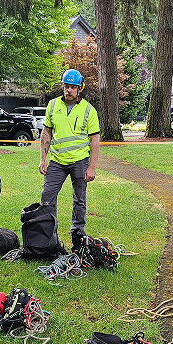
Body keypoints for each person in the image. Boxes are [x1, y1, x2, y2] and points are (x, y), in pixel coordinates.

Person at [39, 68, 101, 247]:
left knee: (79, 199)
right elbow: (46, 132)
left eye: (73, 87)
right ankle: (49, 237)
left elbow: (94, 139)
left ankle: (78, 235)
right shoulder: (52, 105)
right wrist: (43, 159)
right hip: (57, 161)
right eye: (66, 86)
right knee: (47, 196)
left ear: (79, 88)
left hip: (80, 161)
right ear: (62, 86)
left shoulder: (89, 110)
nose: (69, 90)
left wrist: (92, 166)